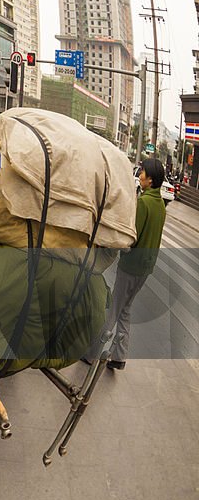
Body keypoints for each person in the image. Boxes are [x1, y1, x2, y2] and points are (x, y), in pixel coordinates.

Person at [87, 158, 167, 371]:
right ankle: (119, 357)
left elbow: (132, 236)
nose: (140, 175)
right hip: (146, 268)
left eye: (143, 172)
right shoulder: (160, 205)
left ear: (150, 179)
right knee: (125, 310)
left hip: (131, 266)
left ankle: (92, 354)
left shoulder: (144, 203)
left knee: (113, 308)